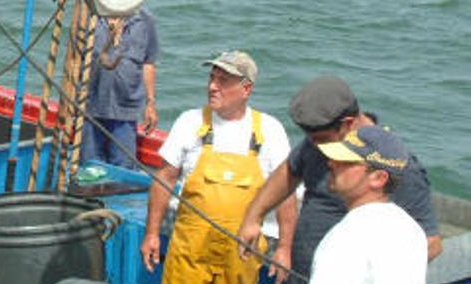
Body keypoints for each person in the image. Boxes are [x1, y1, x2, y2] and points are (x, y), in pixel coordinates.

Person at [238, 76, 442, 281]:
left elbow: (431, 243)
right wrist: (253, 217)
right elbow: (290, 171)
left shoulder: (396, 165)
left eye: (321, 140)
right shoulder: (320, 141)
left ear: (349, 123)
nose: (328, 158)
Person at [140, 51, 296, 283]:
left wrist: (284, 248)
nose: (212, 86)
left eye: (223, 81)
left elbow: (285, 193)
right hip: (190, 250)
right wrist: (152, 233)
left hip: (242, 253)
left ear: (246, 89)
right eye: (211, 78)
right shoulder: (190, 122)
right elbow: (164, 178)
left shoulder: (270, 130)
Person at [309, 125, 427, 283]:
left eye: (346, 161)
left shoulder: (346, 238)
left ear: (378, 178)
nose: (331, 163)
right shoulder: (411, 229)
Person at [82, 7, 159, 168]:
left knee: (123, 168)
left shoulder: (145, 21)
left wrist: (150, 103)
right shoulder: (91, 16)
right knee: (89, 168)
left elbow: (148, 63)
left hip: (125, 110)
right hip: (91, 108)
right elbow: (75, 60)